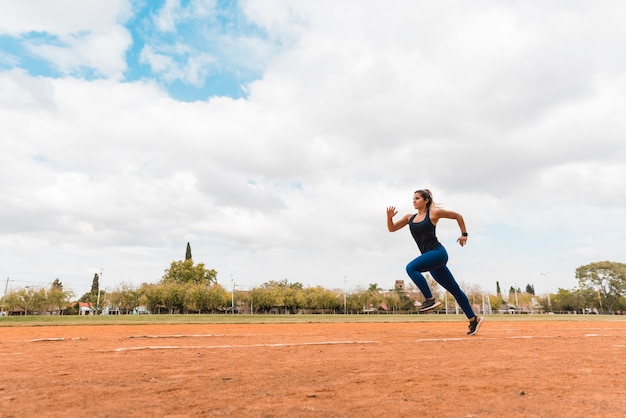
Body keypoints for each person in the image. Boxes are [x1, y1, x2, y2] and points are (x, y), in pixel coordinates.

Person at [386, 189, 483, 335]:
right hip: (431, 259)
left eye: (417, 198)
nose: (414, 201)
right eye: (413, 198)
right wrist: (389, 217)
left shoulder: (433, 213)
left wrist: (464, 234)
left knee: (411, 268)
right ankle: (473, 319)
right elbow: (392, 229)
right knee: (455, 290)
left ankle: (429, 299)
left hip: (438, 254)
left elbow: (457, 216)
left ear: (426, 200)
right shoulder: (409, 218)